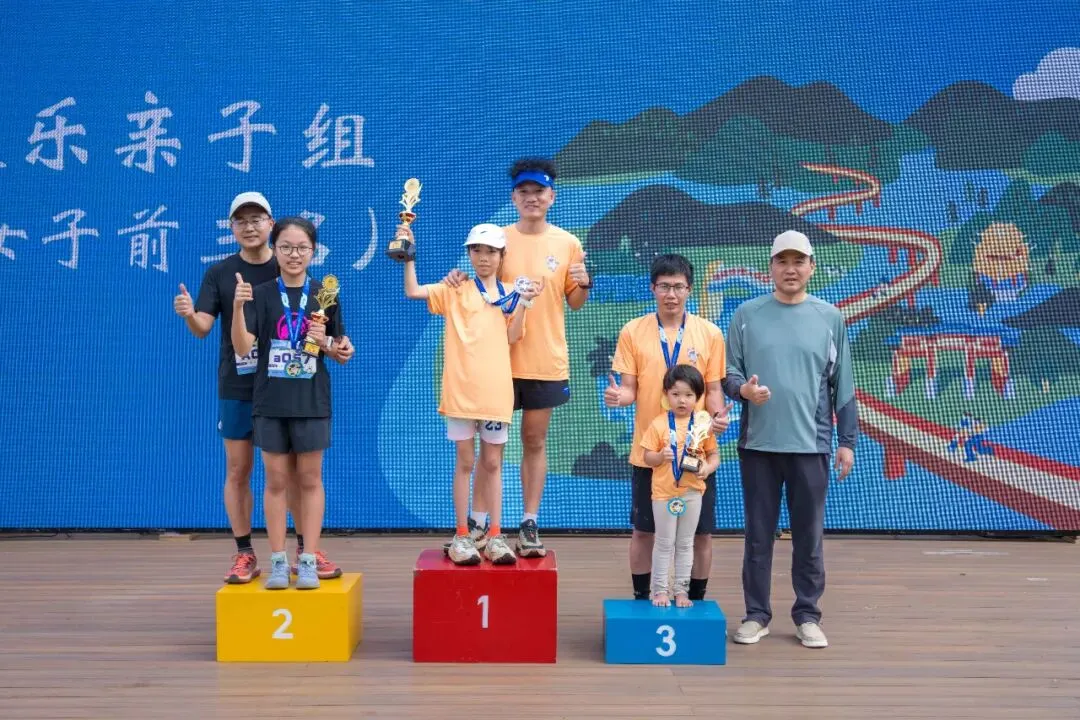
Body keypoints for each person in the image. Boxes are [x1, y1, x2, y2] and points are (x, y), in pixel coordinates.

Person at [443, 157, 591, 557]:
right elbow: (477, 282)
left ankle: (528, 523)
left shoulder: (568, 243)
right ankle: (478, 525)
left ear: (552, 196)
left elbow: (575, 301)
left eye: (539, 192)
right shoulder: (498, 240)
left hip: (544, 359)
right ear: (513, 198)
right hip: (495, 362)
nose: (532, 198)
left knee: (534, 439)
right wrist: (456, 277)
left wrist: (584, 284)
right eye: (524, 192)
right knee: (490, 450)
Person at [722, 230, 857, 649]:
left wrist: (847, 441)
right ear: (771, 267)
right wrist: (744, 391)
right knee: (757, 536)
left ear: (811, 267)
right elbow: (730, 374)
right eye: (782, 261)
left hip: (811, 448)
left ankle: (808, 615)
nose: (790, 269)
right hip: (758, 446)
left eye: (799, 261)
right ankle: (756, 615)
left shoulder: (830, 318)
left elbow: (843, 386)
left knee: (809, 536)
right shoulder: (746, 314)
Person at [173, 191, 303, 584]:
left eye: (256, 219)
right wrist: (189, 315)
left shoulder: (287, 265)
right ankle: (245, 553)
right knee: (238, 468)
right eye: (241, 221)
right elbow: (202, 328)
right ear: (232, 228)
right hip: (238, 385)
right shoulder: (219, 273)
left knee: (289, 471)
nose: (249, 227)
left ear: (270, 224)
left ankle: (305, 552)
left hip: (283, 384)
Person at [402, 223, 541, 565]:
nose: (484, 257)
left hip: (495, 393)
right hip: (460, 393)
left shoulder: (511, 293)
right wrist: (408, 254)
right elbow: (413, 291)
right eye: (477, 250)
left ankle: (495, 536)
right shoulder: (456, 289)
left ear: (502, 256)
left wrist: (524, 303)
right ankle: (463, 535)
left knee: (492, 463)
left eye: (491, 251)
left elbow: (513, 336)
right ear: (469, 254)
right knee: (465, 461)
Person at [231, 217, 355, 589]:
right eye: (286, 247)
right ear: (275, 249)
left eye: (302, 248)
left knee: (310, 479)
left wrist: (331, 344)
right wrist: (237, 308)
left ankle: (308, 559)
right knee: (275, 481)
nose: (294, 254)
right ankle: (278, 562)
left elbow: (338, 349)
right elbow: (243, 347)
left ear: (313, 251)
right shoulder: (261, 293)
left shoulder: (325, 294)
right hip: (270, 402)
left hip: (311, 401)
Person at [606, 254, 731, 602]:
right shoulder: (633, 330)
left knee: (701, 534)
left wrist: (718, 416)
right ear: (653, 288)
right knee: (644, 532)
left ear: (689, 289)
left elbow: (714, 389)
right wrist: (619, 397)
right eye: (664, 286)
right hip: (652, 452)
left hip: (694, 452)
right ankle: (642, 598)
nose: (671, 294)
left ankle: (696, 599)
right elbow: (629, 388)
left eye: (678, 287)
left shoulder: (710, 333)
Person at [639, 364, 720, 607]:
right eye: (675, 394)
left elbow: (714, 455)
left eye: (688, 395)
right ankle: (659, 591)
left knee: (685, 543)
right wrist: (660, 456)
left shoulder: (703, 424)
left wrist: (707, 468)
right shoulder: (659, 424)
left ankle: (681, 591)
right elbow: (647, 457)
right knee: (664, 543)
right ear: (666, 395)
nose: (682, 400)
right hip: (663, 494)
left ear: (698, 397)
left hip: (693, 492)